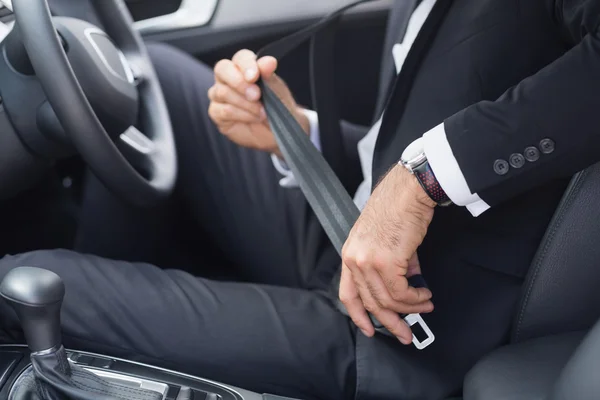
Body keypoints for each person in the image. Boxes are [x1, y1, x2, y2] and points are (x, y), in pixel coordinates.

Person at [2, 0, 600, 399]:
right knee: (149, 76)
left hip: (405, 325)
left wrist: (423, 181)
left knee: (21, 282)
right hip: (348, 230)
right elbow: (431, 122)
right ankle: (111, 319)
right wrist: (295, 133)